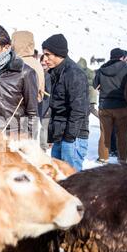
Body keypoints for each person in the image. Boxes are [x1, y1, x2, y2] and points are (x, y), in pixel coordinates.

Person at [41, 33, 89, 171]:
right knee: (58, 179)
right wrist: (53, 136)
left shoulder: (73, 73)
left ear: (58, 54)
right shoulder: (55, 73)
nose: (45, 59)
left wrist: (69, 137)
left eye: (48, 54)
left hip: (73, 138)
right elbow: (56, 107)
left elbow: (79, 109)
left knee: (71, 179)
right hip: (60, 135)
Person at [93, 48, 127, 164]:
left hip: (105, 106)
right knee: (122, 134)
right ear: (121, 57)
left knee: (104, 133)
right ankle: (122, 158)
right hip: (122, 106)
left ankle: (103, 157)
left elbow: (95, 85)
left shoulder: (102, 68)